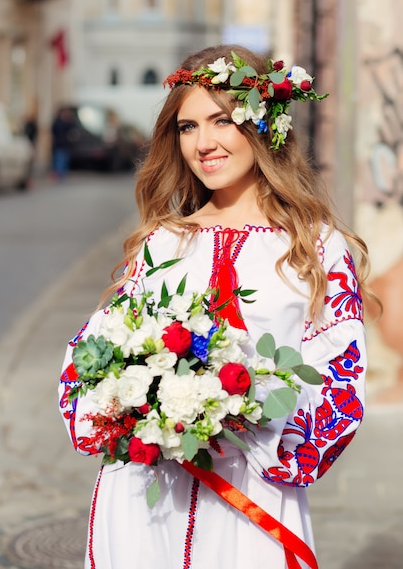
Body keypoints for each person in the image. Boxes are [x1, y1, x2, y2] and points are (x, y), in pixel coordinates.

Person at [59, 44, 376, 568]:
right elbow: (92, 360)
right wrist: (137, 401)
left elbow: (339, 382)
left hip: (249, 499)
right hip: (143, 497)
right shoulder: (162, 242)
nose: (203, 143)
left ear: (260, 126)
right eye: (187, 127)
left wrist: (238, 406)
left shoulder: (314, 247)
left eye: (221, 121)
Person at [51, 106, 75, 180]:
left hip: (65, 144)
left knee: (64, 160)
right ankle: (59, 175)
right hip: (59, 144)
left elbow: (72, 127)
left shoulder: (66, 122)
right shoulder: (58, 122)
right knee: (59, 160)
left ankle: (62, 175)